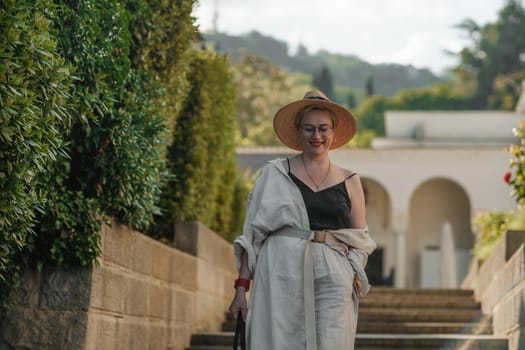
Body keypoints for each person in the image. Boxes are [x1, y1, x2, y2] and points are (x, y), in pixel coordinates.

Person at [229, 90, 377, 350]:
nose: (316, 136)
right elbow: (253, 237)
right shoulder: (274, 174)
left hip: (334, 278)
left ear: (333, 131)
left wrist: (350, 269)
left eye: (323, 128)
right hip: (280, 273)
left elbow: (360, 239)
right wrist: (241, 289)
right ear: (298, 132)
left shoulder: (350, 180)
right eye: (309, 128)